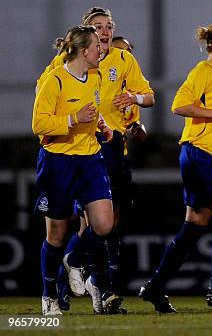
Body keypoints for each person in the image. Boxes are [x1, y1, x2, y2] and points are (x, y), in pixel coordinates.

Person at [55, 8, 155, 314]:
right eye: (99, 27)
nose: (106, 31)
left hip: (114, 150)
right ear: (87, 35)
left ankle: (96, 287)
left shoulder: (123, 60)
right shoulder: (71, 64)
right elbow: (48, 92)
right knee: (93, 224)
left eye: (109, 26)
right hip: (84, 148)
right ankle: (83, 286)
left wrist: (134, 101)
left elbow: (148, 96)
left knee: (109, 226)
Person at [139, 22, 212, 313]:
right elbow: (179, 105)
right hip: (199, 154)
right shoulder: (204, 71)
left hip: (206, 157)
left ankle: (155, 287)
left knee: (194, 226)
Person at [33, 25, 121, 315]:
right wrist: (72, 118)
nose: (102, 49)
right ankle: (49, 297)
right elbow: (39, 124)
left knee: (105, 225)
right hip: (58, 162)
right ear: (84, 51)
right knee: (56, 234)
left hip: (90, 159)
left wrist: (102, 127)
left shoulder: (95, 77)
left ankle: (75, 258)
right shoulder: (54, 80)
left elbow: (92, 112)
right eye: (97, 45)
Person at [111, 36, 148, 144]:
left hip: (118, 150)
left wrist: (137, 128)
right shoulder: (96, 79)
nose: (125, 55)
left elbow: (130, 122)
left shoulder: (132, 89)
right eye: (119, 51)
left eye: (128, 52)